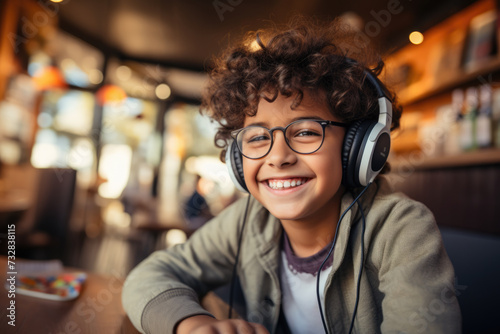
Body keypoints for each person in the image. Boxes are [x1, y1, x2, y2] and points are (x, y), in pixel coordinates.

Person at [122, 18, 461, 334]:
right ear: (239, 161)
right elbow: (149, 276)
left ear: (361, 147)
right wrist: (193, 325)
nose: (279, 157)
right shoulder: (247, 219)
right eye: (257, 138)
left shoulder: (400, 228)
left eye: (306, 132)